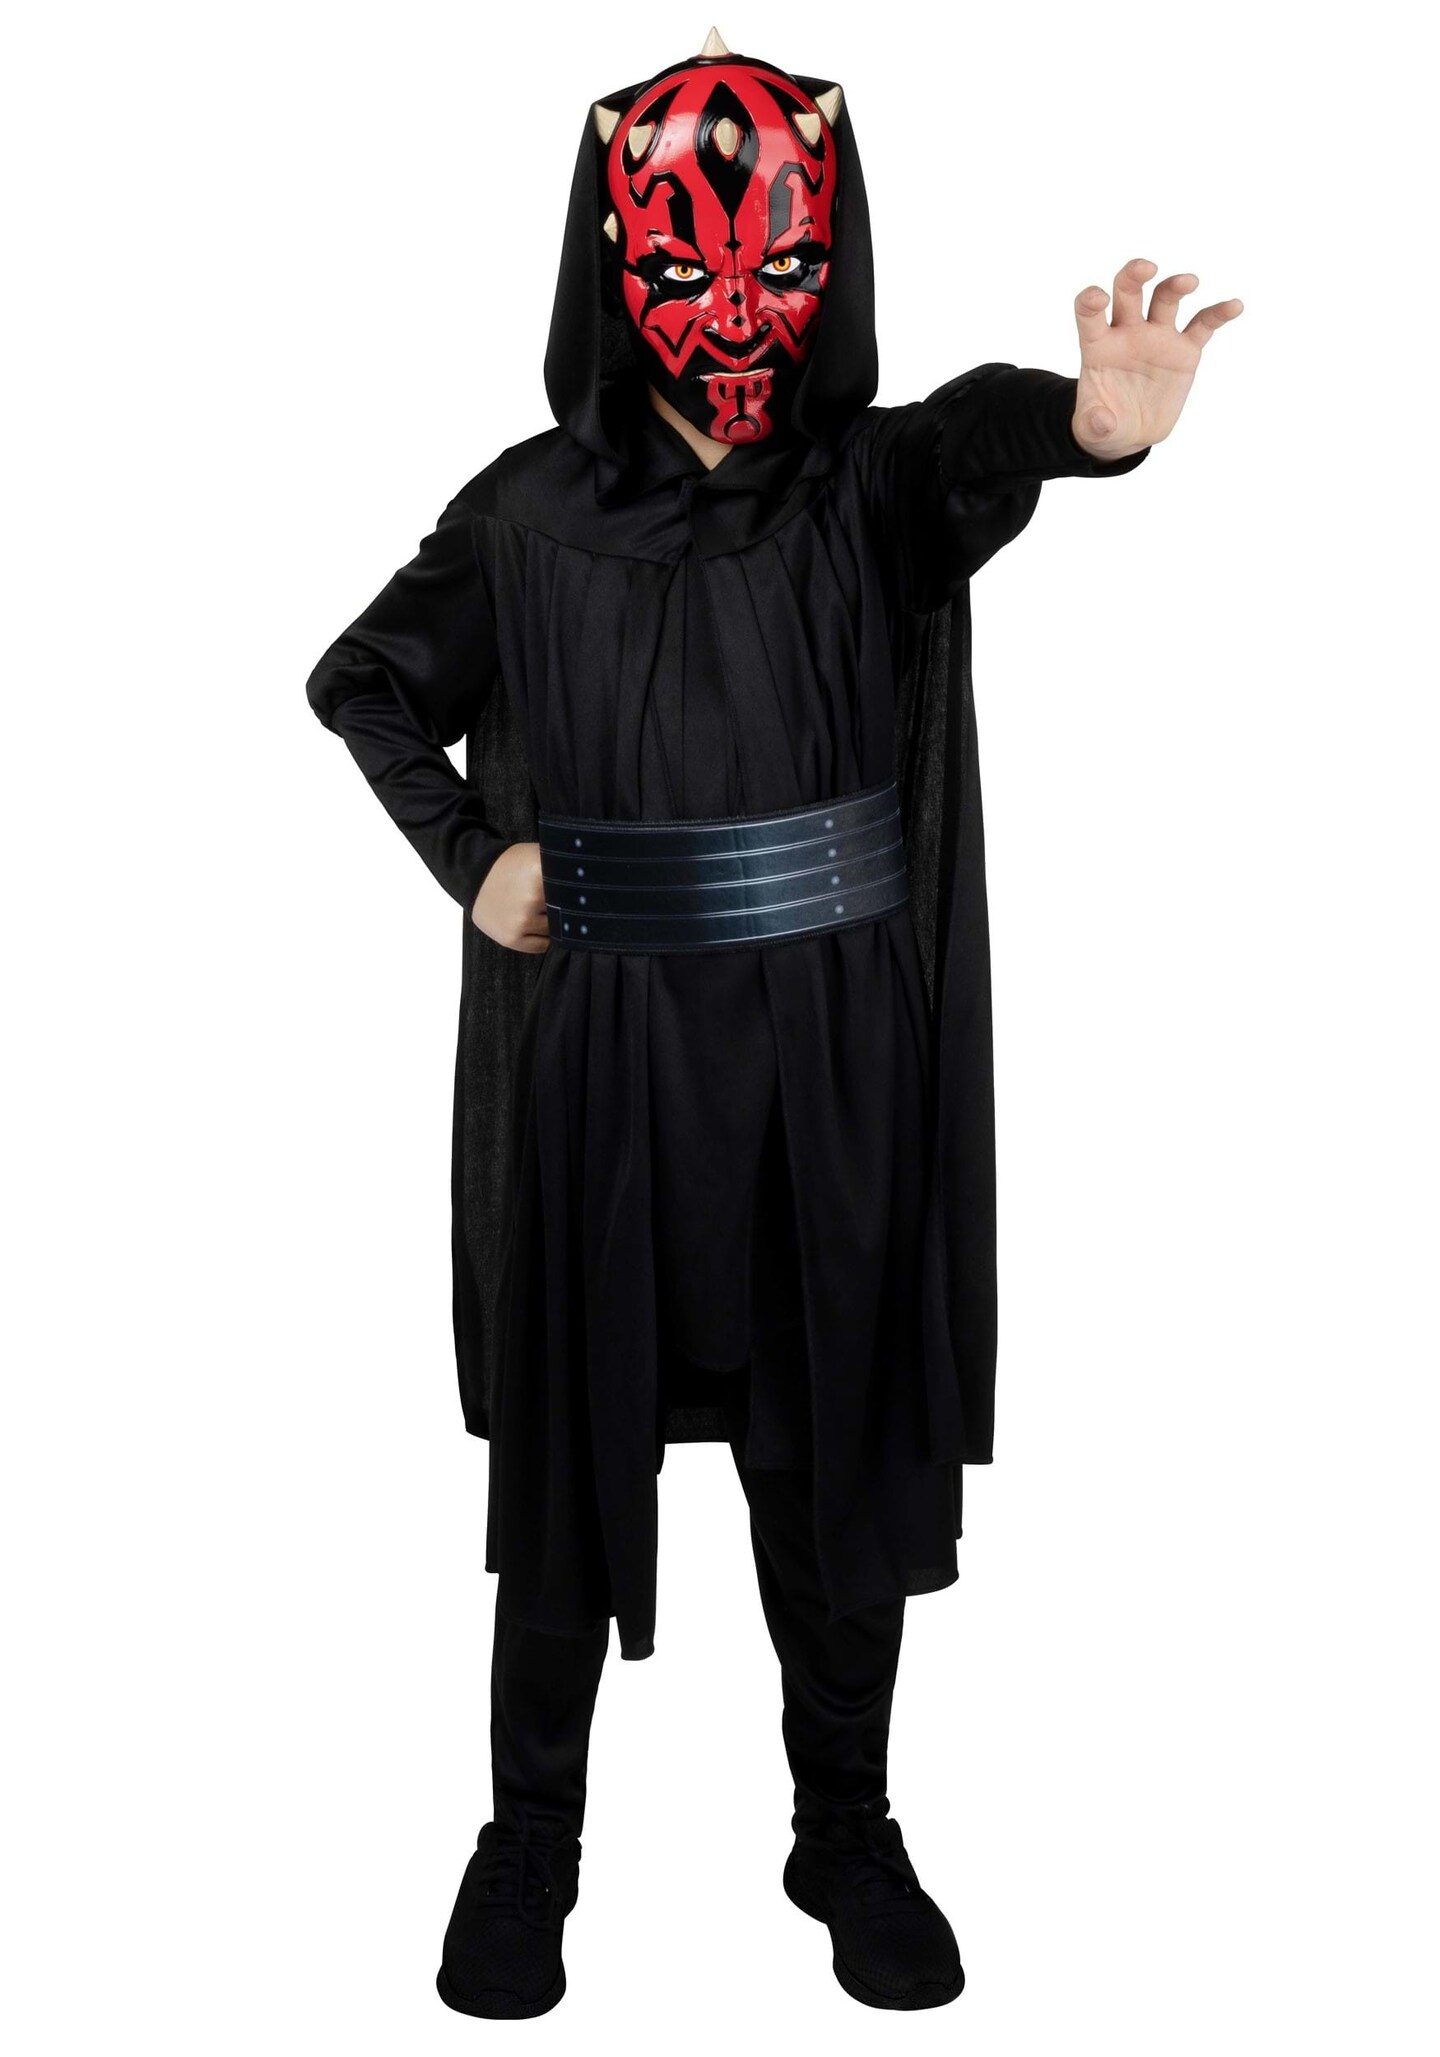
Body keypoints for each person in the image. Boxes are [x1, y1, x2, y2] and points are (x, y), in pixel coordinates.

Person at [304, 27, 1241, 2020]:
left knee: (835, 1450)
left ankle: (847, 1825)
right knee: (571, 1462)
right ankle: (529, 1838)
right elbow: (362, 678)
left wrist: (1096, 427)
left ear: (831, 254)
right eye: (689, 258)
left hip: (832, 1059)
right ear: (611, 258)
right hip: (605, 1062)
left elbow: (981, 439)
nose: (735, 303)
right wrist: (469, 855)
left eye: (776, 259)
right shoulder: (530, 512)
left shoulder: (871, 490)